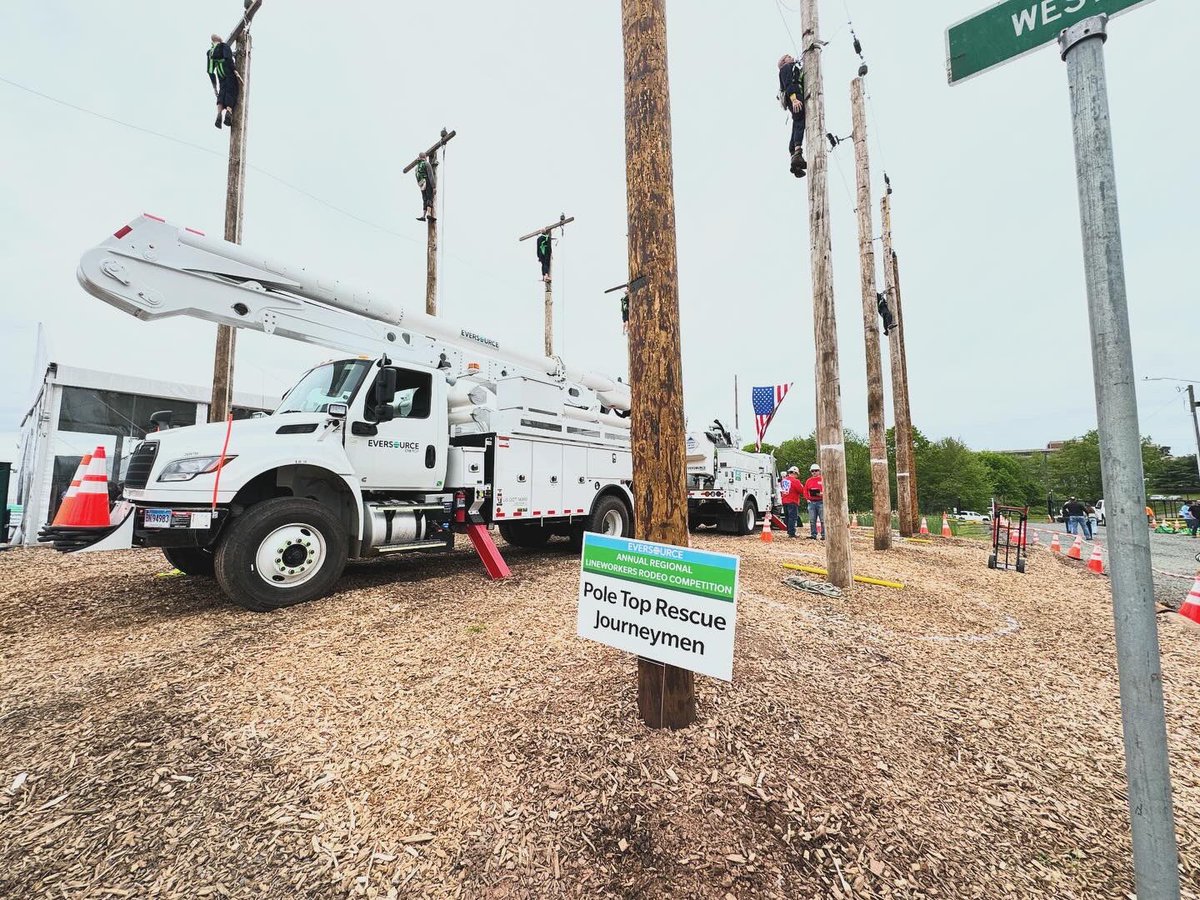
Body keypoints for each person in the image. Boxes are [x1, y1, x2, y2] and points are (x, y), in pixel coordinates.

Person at [777, 55, 806, 178]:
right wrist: (794, 99)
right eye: (788, 57)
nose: (791, 57)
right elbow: (789, 84)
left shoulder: (792, 68)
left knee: (796, 124)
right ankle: (797, 151)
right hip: (795, 97)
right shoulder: (786, 68)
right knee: (800, 121)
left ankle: (794, 157)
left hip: (795, 97)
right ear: (784, 62)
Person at [206, 33, 240, 130]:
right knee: (231, 90)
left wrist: (214, 86)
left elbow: (210, 71)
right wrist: (234, 70)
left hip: (220, 74)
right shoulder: (224, 46)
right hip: (228, 72)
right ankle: (229, 111)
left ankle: (219, 113)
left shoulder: (210, 52)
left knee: (222, 92)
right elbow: (228, 59)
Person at [780, 466, 803, 538]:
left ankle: (789, 531)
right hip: (792, 501)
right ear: (795, 473)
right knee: (792, 517)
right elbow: (801, 490)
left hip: (784, 500)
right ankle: (792, 533)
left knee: (787, 517)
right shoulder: (795, 481)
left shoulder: (783, 481)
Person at [804, 463, 824, 540]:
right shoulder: (809, 481)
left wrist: (821, 494)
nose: (814, 472)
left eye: (816, 471)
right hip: (811, 502)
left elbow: (827, 490)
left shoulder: (823, 480)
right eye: (813, 471)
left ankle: (824, 535)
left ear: (819, 471)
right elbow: (805, 491)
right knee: (812, 520)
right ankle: (813, 534)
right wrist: (807, 499)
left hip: (821, 501)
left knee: (823, 520)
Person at [415, 152, 437, 222]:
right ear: (425, 157)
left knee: (424, 199)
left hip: (421, 184)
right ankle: (429, 214)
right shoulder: (426, 164)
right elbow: (430, 176)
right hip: (427, 182)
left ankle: (423, 216)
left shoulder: (417, 167)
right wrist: (433, 187)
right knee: (429, 197)